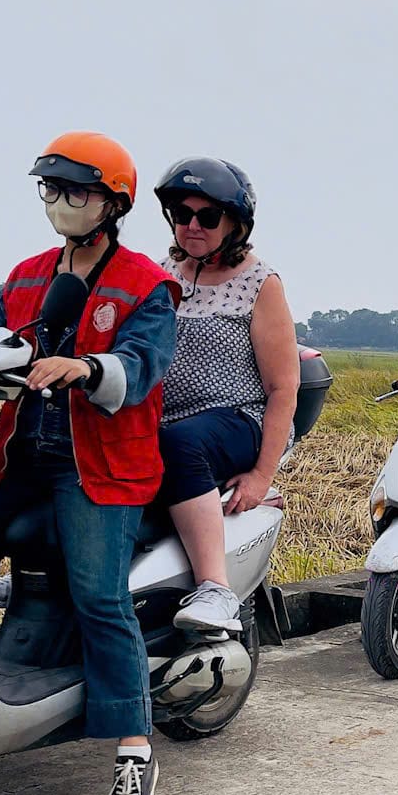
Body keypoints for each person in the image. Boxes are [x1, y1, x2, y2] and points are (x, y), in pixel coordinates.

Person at [0, 132, 177, 795]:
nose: (60, 201)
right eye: (51, 188)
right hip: (15, 453)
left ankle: (135, 746)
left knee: (98, 595)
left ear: (114, 203)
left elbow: (144, 363)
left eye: (76, 190)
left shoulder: (145, 284)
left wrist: (88, 367)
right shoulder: (26, 275)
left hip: (99, 464)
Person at [151, 157, 300, 634]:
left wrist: (260, 476)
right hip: (164, 417)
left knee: (180, 443)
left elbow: (283, 387)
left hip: (238, 416)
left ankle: (215, 588)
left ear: (235, 225)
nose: (192, 225)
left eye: (208, 217)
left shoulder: (260, 283)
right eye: (182, 214)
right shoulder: (161, 273)